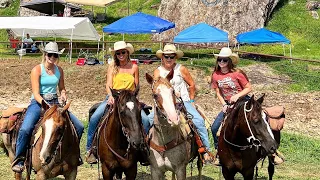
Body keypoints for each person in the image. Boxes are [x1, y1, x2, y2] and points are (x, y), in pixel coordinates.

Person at [11, 42, 84, 173]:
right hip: (39, 103)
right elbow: (36, 93)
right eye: (50, 54)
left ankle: (74, 155)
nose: (52, 57)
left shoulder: (59, 70)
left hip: (55, 102)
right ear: (45, 55)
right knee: (25, 129)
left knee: (79, 126)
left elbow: (62, 88)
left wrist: (63, 95)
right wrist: (46, 105)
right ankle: (20, 159)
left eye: (55, 55)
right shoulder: (37, 70)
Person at [145, 44, 213, 163]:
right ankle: (145, 150)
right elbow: (155, 86)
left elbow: (192, 85)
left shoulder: (181, 69)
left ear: (175, 57)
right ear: (162, 57)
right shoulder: (158, 71)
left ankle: (205, 150)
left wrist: (191, 100)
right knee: (147, 121)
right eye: (167, 56)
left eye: (172, 56)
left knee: (198, 121)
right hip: (165, 104)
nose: (169, 59)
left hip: (182, 102)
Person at [85, 41, 150, 165]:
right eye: (118, 53)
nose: (121, 54)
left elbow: (137, 86)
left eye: (123, 52)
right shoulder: (113, 66)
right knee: (95, 117)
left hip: (129, 99)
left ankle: (143, 149)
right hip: (114, 97)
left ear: (127, 53)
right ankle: (91, 149)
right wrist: (110, 96)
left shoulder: (134, 67)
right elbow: (108, 84)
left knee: (146, 121)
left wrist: (136, 101)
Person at [210, 47, 252, 165]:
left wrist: (237, 96)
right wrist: (223, 104)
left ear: (230, 61)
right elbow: (218, 92)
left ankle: (270, 151)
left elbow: (248, 88)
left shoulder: (237, 73)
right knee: (214, 128)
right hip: (228, 104)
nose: (222, 62)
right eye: (220, 60)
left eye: (224, 60)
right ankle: (219, 151)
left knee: (256, 123)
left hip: (243, 101)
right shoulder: (215, 75)